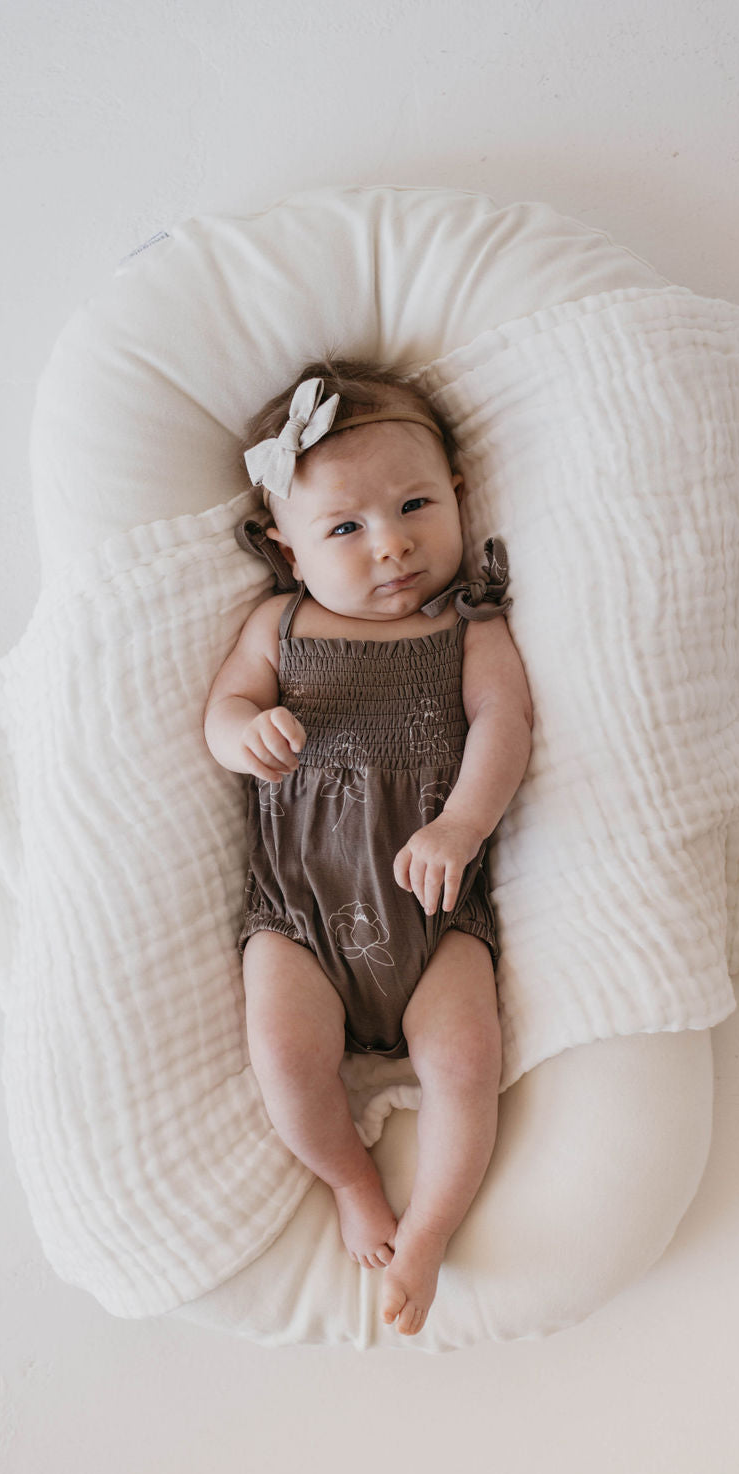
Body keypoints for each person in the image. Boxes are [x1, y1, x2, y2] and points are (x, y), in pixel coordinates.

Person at [204, 360, 532, 1335]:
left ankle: (428, 1229)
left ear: (459, 498)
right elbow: (223, 711)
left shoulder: (468, 629)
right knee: (283, 1051)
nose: (390, 545)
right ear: (287, 548)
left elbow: (503, 725)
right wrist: (241, 734)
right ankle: (352, 1178)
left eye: (415, 504)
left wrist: (462, 822)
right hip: (299, 912)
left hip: (433, 912)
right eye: (345, 527)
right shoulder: (281, 624)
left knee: (467, 1061)